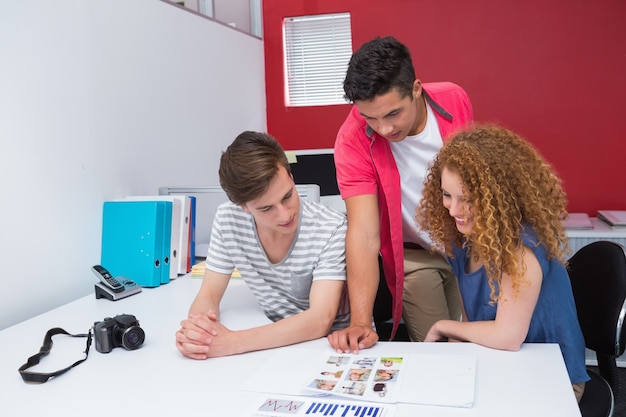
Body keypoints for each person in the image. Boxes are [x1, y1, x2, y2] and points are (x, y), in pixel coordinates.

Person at [417, 124, 589, 402]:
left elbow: (508, 336)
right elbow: (473, 326)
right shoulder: (461, 242)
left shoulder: (522, 247)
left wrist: (442, 326)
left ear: (498, 199)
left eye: (468, 200)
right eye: (447, 195)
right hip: (502, 363)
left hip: (554, 377)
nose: (454, 210)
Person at [328, 36, 473, 352]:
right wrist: (362, 321)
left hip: (465, 246)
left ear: (416, 89)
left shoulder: (455, 100)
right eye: (370, 117)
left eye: (393, 114)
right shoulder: (352, 139)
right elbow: (364, 233)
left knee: (475, 342)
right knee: (438, 352)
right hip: (414, 256)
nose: (383, 129)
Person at [175, 131, 349, 359]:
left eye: (287, 196)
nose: (285, 214)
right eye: (266, 208)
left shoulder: (330, 227)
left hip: (334, 346)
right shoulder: (229, 219)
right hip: (274, 344)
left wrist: (231, 342)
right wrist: (199, 334)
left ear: (291, 176)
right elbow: (209, 293)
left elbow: (320, 320)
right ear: (243, 206)